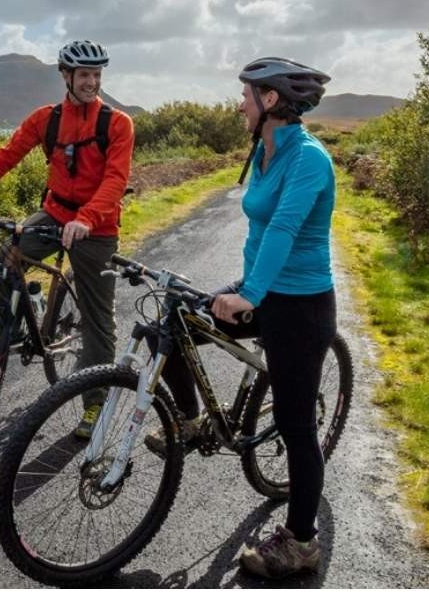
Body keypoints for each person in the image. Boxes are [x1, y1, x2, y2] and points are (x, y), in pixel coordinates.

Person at [146, 56, 335, 579]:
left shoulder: (309, 160)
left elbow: (284, 230)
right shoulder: (265, 150)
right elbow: (257, 229)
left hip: (300, 305)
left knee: (298, 427)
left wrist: (249, 292)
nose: (238, 104)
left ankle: (301, 542)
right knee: (173, 319)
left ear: (269, 100)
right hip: (262, 291)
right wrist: (245, 289)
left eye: (245, 95)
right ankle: (190, 419)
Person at [0, 39, 134, 439]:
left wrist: (85, 219)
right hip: (55, 213)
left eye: (97, 75)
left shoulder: (117, 123)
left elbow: (116, 180)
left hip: (95, 227)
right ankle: (13, 318)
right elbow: (6, 156)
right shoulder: (46, 119)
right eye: (84, 75)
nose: (92, 82)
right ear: (66, 76)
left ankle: (95, 402)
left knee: (99, 321)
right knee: (7, 256)